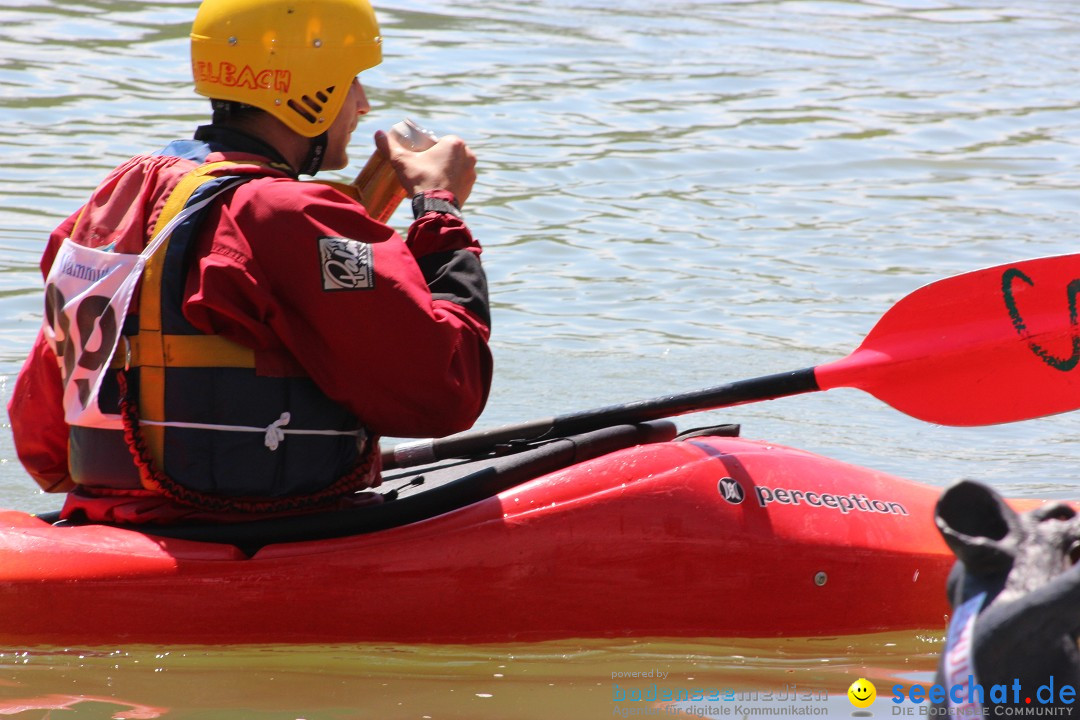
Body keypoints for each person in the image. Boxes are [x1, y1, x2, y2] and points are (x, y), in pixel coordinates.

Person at [7, 0, 492, 524]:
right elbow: (447, 392)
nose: (364, 103)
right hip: (242, 525)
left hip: (107, 512)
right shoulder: (291, 212)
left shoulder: (121, 194)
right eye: (352, 80)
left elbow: (45, 446)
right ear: (314, 86)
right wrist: (438, 207)